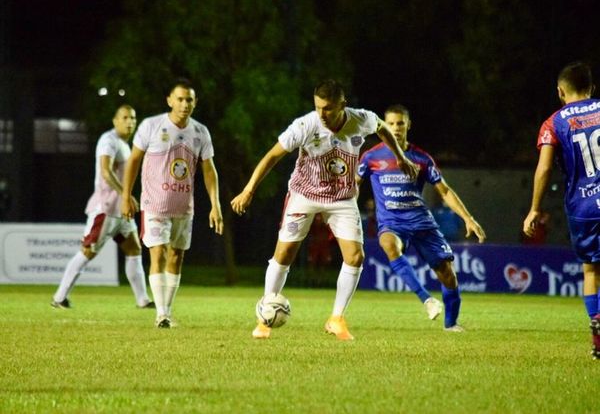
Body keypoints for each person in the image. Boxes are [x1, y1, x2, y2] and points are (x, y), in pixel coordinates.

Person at [231, 79, 418, 340]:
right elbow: (272, 155)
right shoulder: (306, 125)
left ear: (343, 105)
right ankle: (264, 318)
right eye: (318, 107)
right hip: (304, 194)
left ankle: (336, 319)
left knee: (355, 257)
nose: (322, 114)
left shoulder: (360, 119)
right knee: (284, 254)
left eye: (328, 108)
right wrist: (249, 189)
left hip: (341, 198)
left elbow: (382, 127)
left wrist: (399, 155)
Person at [357, 104, 486, 331]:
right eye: (390, 124)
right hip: (392, 222)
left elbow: (444, 191)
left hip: (421, 221)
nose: (395, 128)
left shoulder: (421, 158)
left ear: (408, 125)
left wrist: (468, 218)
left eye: (400, 123)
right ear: (382, 126)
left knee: (447, 275)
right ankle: (427, 299)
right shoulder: (371, 157)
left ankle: (451, 324)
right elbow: (353, 187)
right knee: (388, 244)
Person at [121, 78, 223, 328]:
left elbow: (209, 170)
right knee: (159, 252)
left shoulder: (200, 132)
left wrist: (215, 204)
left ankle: (167, 311)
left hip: (183, 207)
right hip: (154, 204)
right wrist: (126, 195)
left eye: (189, 99)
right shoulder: (151, 125)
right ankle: (162, 314)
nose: (184, 104)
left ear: (195, 102)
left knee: (176, 257)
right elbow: (134, 160)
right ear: (169, 100)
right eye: (179, 99)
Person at [523, 61, 600, 359]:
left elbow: (543, 169)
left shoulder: (554, 122)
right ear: (592, 87)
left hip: (583, 207)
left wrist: (534, 209)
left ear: (560, 91)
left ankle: (597, 336)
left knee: (591, 270)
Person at [52, 105, 153, 309]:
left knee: (134, 249)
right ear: (115, 121)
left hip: (121, 211)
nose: (130, 122)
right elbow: (106, 172)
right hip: (106, 208)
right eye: (125, 117)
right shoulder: (108, 140)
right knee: (88, 251)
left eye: (133, 118)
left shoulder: (125, 144)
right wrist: (126, 194)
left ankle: (142, 300)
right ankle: (59, 297)